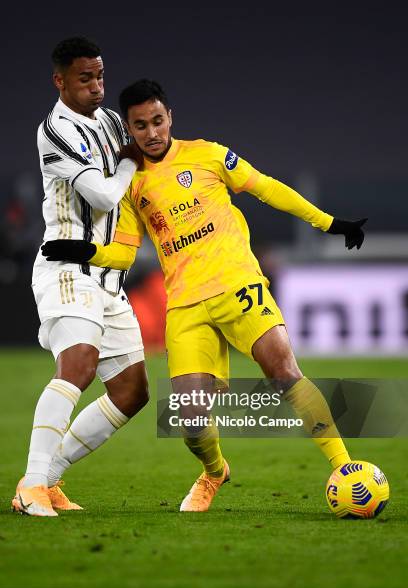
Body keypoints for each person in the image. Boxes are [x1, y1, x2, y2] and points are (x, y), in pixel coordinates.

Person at [42, 79, 367, 513]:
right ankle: (214, 471)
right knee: (191, 420)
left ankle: (346, 469)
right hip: (186, 305)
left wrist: (329, 223)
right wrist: (86, 251)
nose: (152, 133)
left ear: (170, 116)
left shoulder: (209, 154)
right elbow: (123, 252)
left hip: (237, 284)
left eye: (158, 121)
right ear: (130, 129)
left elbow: (267, 188)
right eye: (141, 126)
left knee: (283, 369)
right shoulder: (131, 183)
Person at [12, 40, 149, 517]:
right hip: (68, 270)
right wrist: (132, 159)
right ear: (60, 81)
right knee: (79, 365)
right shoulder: (56, 130)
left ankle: (47, 480)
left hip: (109, 277)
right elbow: (107, 195)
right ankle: (31, 486)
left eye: (100, 76)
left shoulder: (111, 121)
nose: (97, 87)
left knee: (133, 391)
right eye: (85, 79)